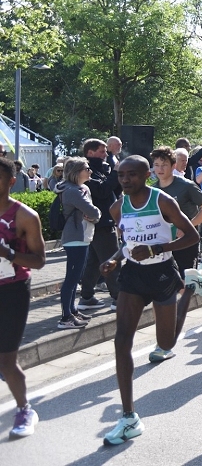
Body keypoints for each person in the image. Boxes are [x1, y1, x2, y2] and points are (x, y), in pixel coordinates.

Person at [99, 156, 200, 445]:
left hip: (162, 272)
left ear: (146, 175)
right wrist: (114, 260)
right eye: (121, 176)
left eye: (132, 175)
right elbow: (127, 242)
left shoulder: (163, 201)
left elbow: (191, 235)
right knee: (121, 340)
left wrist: (157, 248)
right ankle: (128, 417)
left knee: (166, 343)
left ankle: (190, 288)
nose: (126, 180)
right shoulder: (117, 208)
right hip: (132, 275)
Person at [0, 157, 47, 438]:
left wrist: (8, 254)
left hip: (12, 291)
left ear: (11, 182)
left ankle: (25, 409)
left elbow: (40, 260)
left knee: (6, 360)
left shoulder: (25, 216)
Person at [150, 147, 202, 329]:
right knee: (162, 287)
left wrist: (187, 226)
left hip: (186, 241)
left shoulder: (185, 185)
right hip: (163, 244)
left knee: (184, 286)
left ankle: (200, 273)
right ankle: (166, 327)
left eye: (164, 165)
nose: (160, 169)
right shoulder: (152, 190)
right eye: (156, 165)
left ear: (173, 165)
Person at [55, 158, 102, 329]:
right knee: (72, 278)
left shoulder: (81, 189)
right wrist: (96, 214)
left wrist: (94, 215)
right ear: (76, 172)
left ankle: (72, 311)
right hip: (75, 237)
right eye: (86, 169)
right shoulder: (73, 191)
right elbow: (93, 211)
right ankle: (65, 317)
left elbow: (92, 214)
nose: (90, 171)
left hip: (82, 236)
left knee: (75, 278)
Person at [78, 139, 123, 311]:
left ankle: (87, 296)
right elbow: (102, 191)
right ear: (90, 153)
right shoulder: (86, 172)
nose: (106, 155)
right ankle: (118, 297)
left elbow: (112, 191)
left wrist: (116, 176)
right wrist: (114, 174)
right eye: (102, 151)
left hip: (104, 221)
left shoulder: (101, 170)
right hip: (100, 222)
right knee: (113, 260)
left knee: (94, 261)